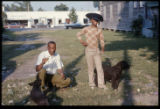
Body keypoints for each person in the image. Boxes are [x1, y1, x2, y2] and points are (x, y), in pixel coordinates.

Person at [76, 13, 107, 90]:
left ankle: (101, 84)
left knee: (99, 68)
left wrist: (102, 48)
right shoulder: (86, 29)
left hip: (96, 50)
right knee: (90, 68)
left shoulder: (99, 30)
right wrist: (82, 41)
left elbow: (102, 40)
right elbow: (78, 34)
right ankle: (91, 84)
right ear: (91, 20)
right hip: (88, 50)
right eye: (94, 20)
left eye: (97, 20)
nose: (95, 22)